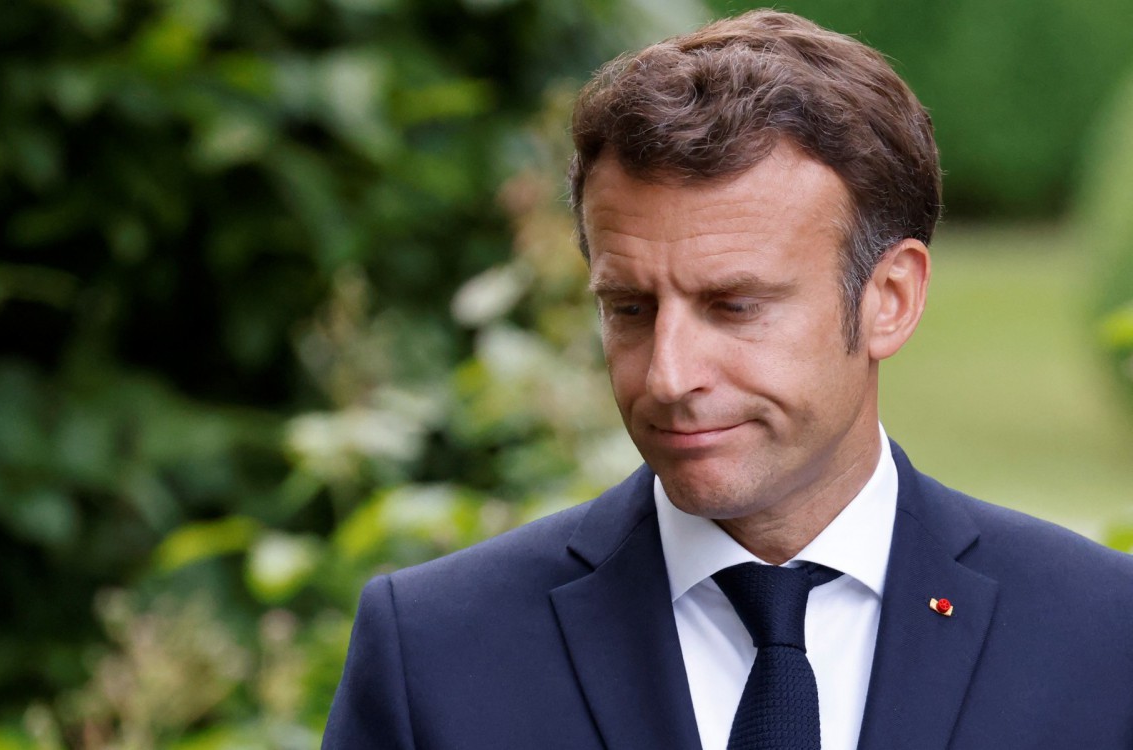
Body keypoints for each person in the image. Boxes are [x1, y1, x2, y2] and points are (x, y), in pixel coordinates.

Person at [323, 9, 1133, 750]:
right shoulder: (433, 652)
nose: (668, 375)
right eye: (630, 308)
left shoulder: (1105, 636)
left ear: (890, 300)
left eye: (735, 306)